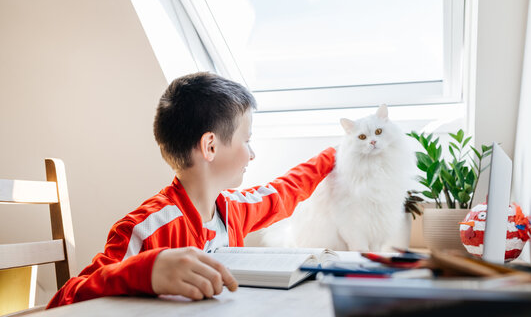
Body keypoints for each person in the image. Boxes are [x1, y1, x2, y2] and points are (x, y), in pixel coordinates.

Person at [47, 72, 336, 308]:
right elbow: (64, 301)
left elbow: (285, 190)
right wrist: (148, 271)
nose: (252, 154)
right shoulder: (145, 228)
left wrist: (337, 154)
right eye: (247, 140)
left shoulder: (234, 208)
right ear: (210, 146)